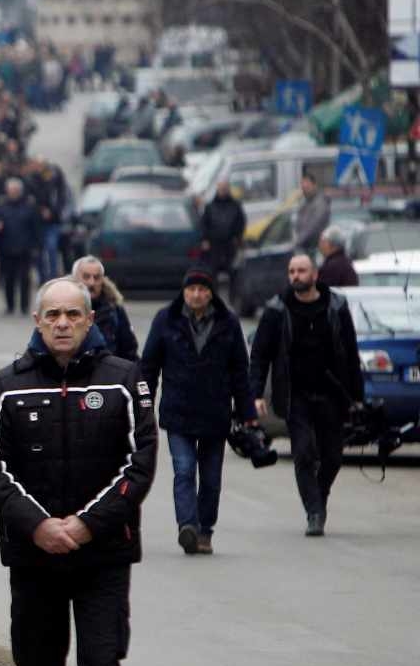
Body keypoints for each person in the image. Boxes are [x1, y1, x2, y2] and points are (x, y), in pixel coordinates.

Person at [0, 277, 156, 666]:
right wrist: (38, 526)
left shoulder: (123, 380)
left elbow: (140, 461)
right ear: (36, 321)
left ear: (90, 320)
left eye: (73, 314)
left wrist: (85, 525)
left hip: (102, 557)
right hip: (34, 559)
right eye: (52, 315)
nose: (62, 324)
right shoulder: (8, 385)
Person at [140, 267, 256, 555]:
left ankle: (205, 530)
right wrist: (143, 405)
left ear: (211, 293)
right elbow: (149, 367)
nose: (196, 294)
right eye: (191, 289)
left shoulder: (228, 323)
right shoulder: (166, 319)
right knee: (183, 468)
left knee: (212, 477)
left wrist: (248, 413)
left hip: (215, 413)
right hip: (178, 411)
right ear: (183, 291)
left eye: (202, 289)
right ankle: (187, 526)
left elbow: (240, 371)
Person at [248, 253, 363, 537]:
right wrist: (256, 394)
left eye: (301, 271)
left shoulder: (336, 306)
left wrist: (357, 395)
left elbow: (350, 352)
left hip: (331, 393)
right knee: (303, 452)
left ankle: (319, 496)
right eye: (291, 271)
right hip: (294, 394)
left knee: (333, 457)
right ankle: (314, 512)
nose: (296, 276)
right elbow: (260, 354)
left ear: (315, 275)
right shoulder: (277, 309)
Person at [72, 256, 138, 361]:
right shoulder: (62, 308)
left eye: (96, 278)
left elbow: (129, 350)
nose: (91, 283)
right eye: (86, 277)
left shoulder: (114, 309)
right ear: (75, 279)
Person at [0, 178, 41, 315]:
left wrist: (36, 246)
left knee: (24, 279)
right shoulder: (1, 207)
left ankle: (24, 306)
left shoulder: (29, 207)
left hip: (24, 248)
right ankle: (10, 306)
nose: (13, 193)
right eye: (11, 190)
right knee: (8, 279)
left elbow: (36, 228)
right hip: (6, 248)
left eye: (15, 190)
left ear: (20, 191)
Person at [199, 181, 247, 275]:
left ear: (228, 190)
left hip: (230, 243)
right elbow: (204, 224)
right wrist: (205, 240)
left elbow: (241, 222)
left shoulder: (235, 205)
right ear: (218, 189)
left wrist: (238, 237)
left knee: (233, 270)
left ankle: (234, 289)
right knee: (213, 270)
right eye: (221, 189)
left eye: (225, 189)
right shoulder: (210, 206)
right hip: (214, 244)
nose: (223, 191)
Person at [294, 172, 330, 252]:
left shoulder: (320, 203)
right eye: (303, 188)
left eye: (307, 187)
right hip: (306, 246)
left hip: (316, 247)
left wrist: (298, 241)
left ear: (314, 186)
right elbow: (299, 223)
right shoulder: (305, 203)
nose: (305, 191)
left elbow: (313, 226)